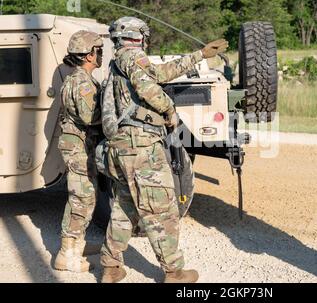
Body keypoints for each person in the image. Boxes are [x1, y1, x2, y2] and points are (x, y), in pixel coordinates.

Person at [99, 16, 228, 283]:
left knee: (125, 206)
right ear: (137, 36)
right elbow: (149, 88)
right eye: (144, 35)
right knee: (162, 209)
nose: (146, 40)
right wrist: (169, 110)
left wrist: (199, 55)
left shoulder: (119, 62)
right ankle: (174, 272)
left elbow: (160, 73)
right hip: (142, 146)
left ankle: (111, 267)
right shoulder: (133, 57)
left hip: (122, 147)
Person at [54, 30, 104, 272]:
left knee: (86, 196)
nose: (100, 54)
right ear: (88, 55)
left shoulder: (80, 78)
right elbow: (89, 116)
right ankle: (67, 255)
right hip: (78, 148)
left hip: (80, 146)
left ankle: (77, 244)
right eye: (98, 50)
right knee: (81, 198)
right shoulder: (82, 82)